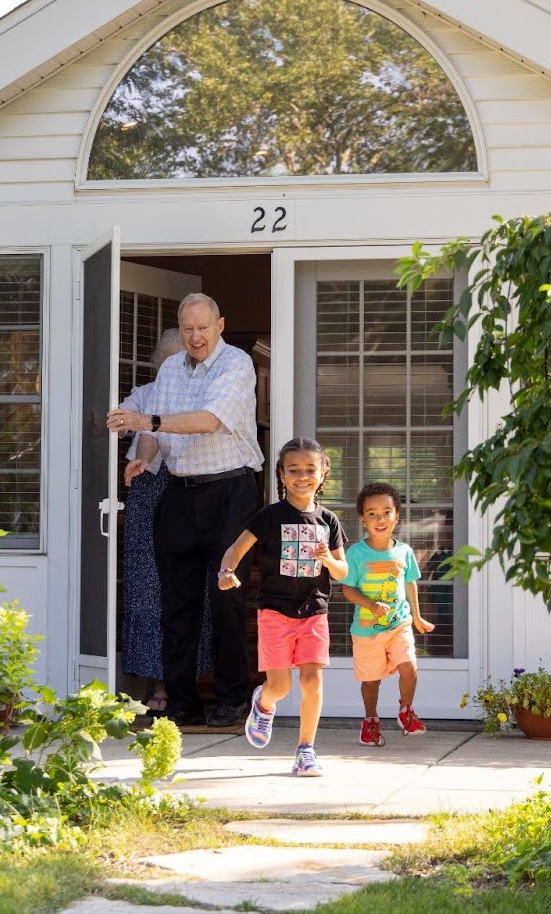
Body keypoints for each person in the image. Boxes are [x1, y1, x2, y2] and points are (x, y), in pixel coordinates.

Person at [106, 292, 263, 729]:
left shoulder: (236, 365)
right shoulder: (171, 368)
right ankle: (182, 703)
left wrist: (148, 425)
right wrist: (146, 455)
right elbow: (159, 420)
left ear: (220, 325)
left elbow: (208, 420)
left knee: (225, 598)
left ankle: (233, 699)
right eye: (188, 328)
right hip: (179, 493)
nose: (196, 336)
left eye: (203, 328)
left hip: (228, 491)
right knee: (177, 605)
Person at [217, 438, 349, 777]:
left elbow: (343, 570)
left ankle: (306, 749)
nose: (302, 476)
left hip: (314, 610)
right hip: (275, 610)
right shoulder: (269, 517)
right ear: (282, 474)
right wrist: (226, 572)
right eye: (294, 470)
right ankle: (263, 702)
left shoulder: (329, 521)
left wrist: (328, 561)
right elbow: (235, 549)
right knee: (281, 686)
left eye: (310, 470)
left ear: (323, 474)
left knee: (311, 680)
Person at [116, 328, 206, 713]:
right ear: (157, 363)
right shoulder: (144, 395)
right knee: (147, 589)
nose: (174, 365)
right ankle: (155, 683)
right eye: (166, 359)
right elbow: (138, 428)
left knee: (187, 587)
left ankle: (184, 682)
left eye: (181, 357)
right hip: (148, 489)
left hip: (189, 488)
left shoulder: (202, 394)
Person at [337, 482, 434, 747]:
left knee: (409, 667)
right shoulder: (356, 553)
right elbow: (347, 589)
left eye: (386, 512)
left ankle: (406, 711)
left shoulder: (404, 551)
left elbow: (410, 583)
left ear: (396, 516)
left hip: (398, 624)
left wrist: (416, 617)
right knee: (371, 682)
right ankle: (370, 721)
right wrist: (371, 605)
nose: (380, 519)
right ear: (362, 519)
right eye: (372, 513)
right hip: (367, 630)